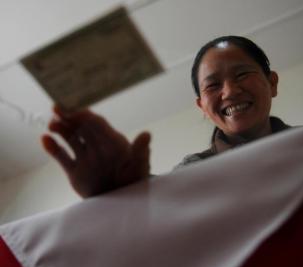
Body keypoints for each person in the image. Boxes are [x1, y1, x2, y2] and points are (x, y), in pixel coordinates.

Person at [41, 36, 290, 198]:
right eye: (212, 85)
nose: (230, 91)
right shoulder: (190, 172)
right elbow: (157, 210)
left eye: (242, 74)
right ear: (202, 106)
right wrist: (118, 192)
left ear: (272, 83)